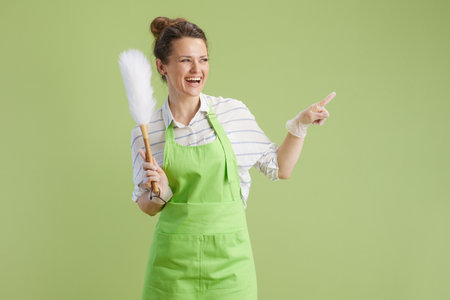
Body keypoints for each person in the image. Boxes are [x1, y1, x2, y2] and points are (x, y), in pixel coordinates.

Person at [130, 16, 334, 300]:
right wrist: (160, 194)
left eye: (203, 59)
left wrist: (299, 125)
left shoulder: (232, 113)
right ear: (162, 66)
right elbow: (146, 205)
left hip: (230, 267)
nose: (197, 69)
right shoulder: (147, 131)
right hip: (171, 269)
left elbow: (281, 168)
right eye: (186, 60)